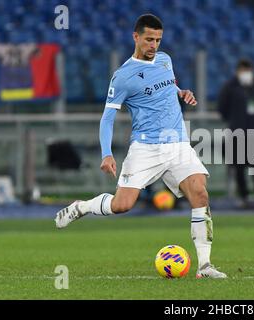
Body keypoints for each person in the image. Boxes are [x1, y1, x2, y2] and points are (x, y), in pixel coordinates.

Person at [54, 14, 226, 279]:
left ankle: (205, 266)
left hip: (178, 143)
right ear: (136, 37)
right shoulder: (123, 77)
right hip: (146, 149)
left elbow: (169, 87)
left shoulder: (166, 59)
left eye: (158, 39)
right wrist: (107, 153)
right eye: (149, 39)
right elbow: (107, 117)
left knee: (200, 193)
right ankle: (83, 207)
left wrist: (181, 93)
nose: (154, 45)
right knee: (122, 205)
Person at [218, 59, 254, 209]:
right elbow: (222, 108)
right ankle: (244, 197)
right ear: (237, 71)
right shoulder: (230, 87)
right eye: (242, 70)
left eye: (247, 70)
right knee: (239, 168)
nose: (245, 74)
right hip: (236, 133)